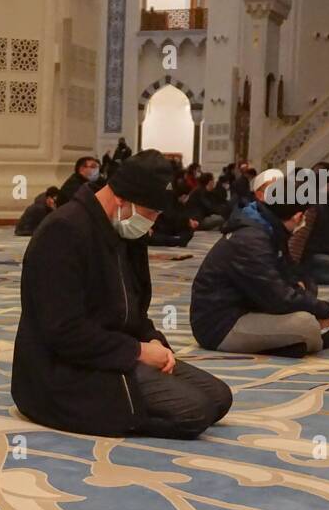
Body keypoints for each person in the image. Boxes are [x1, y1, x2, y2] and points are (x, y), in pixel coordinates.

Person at [12, 149, 233, 440]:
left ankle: (136, 400)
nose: (152, 223)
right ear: (121, 199)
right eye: (151, 213)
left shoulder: (127, 231)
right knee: (194, 412)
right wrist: (138, 352)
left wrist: (153, 339)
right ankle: (116, 413)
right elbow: (63, 331)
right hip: (66, 369)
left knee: (219, 397)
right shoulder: (63, 231)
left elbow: (134, 309)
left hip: (114, 352)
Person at [192, 169, 329, 357]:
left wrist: (307, 297)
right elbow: (277, 297)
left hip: (248, 308)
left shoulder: (267, 228)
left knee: (305, 299)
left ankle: (294, 345)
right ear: (298, 216)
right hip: (221, 326)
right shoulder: (252, 240)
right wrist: (325, 309)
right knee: (305, 324)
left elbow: (290, 276)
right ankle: (317, 341)